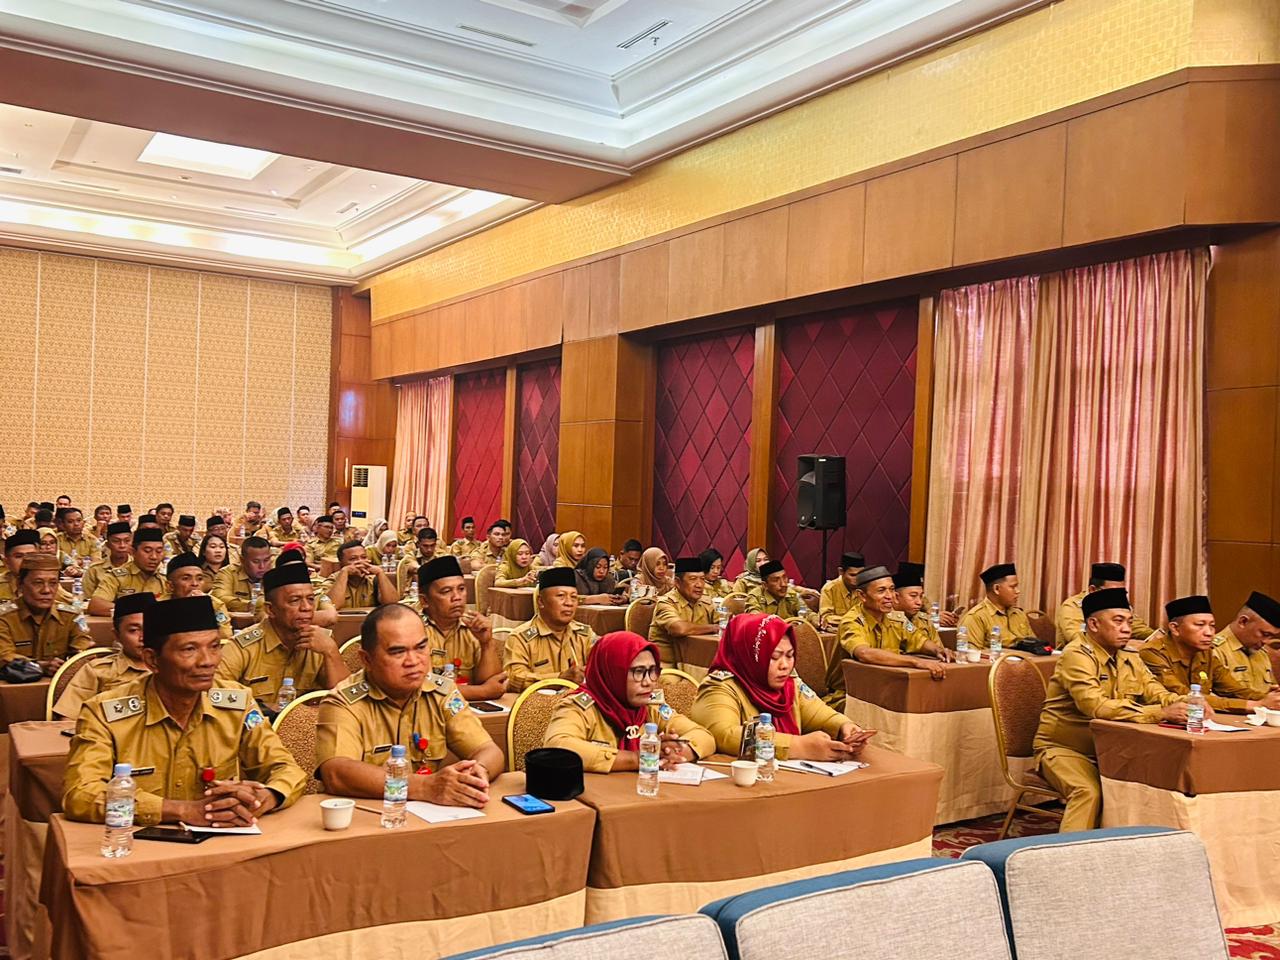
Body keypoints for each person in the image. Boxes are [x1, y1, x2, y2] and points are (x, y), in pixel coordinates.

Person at [62, 595, 306, 825]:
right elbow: (80, 794)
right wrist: (180, 810)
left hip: (222, 840)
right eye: (189, 649)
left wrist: (268, 796)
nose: (208, 661)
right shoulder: (104, 713)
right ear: (152, 660)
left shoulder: (237, 703)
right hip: (138, 845)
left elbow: (286, 768)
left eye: (214, 646)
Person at [315, 604, 503, 809]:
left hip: (430, 816)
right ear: (367, 659)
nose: (413, 661)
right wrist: (424, 787)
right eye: (398, 652)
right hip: (370, 816)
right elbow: (336, 773)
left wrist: (477, 772)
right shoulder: (343, 702)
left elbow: (488, 750)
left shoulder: (441, 692)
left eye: (421, 647)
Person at [1034, 587, 1189, 832]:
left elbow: (1155, 692)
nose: (1127, 629)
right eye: (1118, 621)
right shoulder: (1076, 655)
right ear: (1093, 624)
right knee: (1088, 791)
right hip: (1067, 749)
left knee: (1152, 786)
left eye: (1129, 621)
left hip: (1113, 750)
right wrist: (1159, 713)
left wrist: (1186, 703)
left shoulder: (1129, 656)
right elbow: (1095, 706)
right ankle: (1069, 854)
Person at [691, 613, 874, 760]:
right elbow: (724, 735)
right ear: (749, 657)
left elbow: (819, 713)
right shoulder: (720, 687)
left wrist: (845, 727)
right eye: (774, 657)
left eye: (790, 655)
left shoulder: (789, 684)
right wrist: (798, 746)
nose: (785, 665)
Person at [544, 631, 715, 773]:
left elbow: (703, 735)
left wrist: (673, 752)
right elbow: (557, 747)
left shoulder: (649, 706)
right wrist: (635, 758)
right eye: (638, 672)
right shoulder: (579, 707)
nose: (648, 682)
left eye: (653, 671)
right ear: (612, 673)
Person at [216, 561, 349, 707]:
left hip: (307, 720)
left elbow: (346, 699)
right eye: (295, 601)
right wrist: (258, 708)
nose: (306, 608)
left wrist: (331, 651)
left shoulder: (321, 641)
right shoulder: (243, 647)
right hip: (255, 719)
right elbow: (214, 696)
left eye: (311, 599)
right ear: (270, 610)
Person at [1140, 594, 1278, 713]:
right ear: (1175, 628)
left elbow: (1233, 689)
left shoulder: (1205, 653)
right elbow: (1185, 696)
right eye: (1200, 625)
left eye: (1212, 625)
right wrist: (1255, 705)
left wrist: (1271, 698)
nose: (1209, 632)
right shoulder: (1153, 653)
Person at [829, 566, 947, 702]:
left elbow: (919, 640)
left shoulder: (896, 618)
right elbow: (864, 653)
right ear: (862, 596)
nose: (890, 596)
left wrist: (938, 650)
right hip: (851, 696)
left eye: (891, 589)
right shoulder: (852, 621)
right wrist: (916, 662)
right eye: (881, 591)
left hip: (887, 689)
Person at [414, 556, 505, 700]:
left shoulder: (473, 628)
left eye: (461, 589)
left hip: (469, 709)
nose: (457, 597)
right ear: (424, 600)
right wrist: (481, 692)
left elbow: (494, 684)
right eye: (446, 591)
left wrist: (486, 643)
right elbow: (421, 685)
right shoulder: (413, 631)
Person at [52, 592, 154, 719]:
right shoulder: (97, 671)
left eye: (150, 628)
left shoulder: (172, 668)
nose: (143, 637)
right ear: (117, 635)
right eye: (133, 630)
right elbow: (68, 719)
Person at [504, 568, 598, 692]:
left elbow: (600, 667)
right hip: (537, 702)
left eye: (574, 597)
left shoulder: (584, 634)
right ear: (541, 601)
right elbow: (514, 679)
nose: (569, 603)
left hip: (575, 701)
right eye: (561, 596)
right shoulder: (521, 638)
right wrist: (559, 678)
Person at [0, 555, 93, 671]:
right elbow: (4, 656)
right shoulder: (4, 618)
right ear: (19, 584)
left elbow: (84, 647)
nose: (46, 590)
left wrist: (75, 659)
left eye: (53, 583)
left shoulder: (72, 616)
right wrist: (39, 666)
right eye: (38, 583)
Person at [1055, 562, 1155, 649]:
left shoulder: (1118, 605)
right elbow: (1077, 637)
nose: (1117, 597)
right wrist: (1124, 643)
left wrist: (1156, 637)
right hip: (1079, 657)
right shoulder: (1072, 606)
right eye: (1112, 592)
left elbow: (1138, 628)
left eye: (1120, 592)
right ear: (1093, 590)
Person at [1211, 591, 1280, 704]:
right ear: (1243, 622)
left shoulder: (1262, 652)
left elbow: (1269, 693)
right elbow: (1206, 698)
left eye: (1271, 636)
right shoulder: (1213, 650)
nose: (1266, 641)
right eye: (1264, 634)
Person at [649, 557, 718, 666]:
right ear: (677, 582)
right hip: (667, 666)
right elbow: (679, 629)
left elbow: (725, 624)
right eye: (693, 579)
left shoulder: (706, 601)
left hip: (697, 663)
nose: (699, 585)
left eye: (702, 579)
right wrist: (713, 628)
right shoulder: (665, 603)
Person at [88, 527, 169, 617]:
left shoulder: (167, 578)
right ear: (133, 552)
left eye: (159, 551)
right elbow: (96, 606)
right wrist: (141, 611)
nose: (154, 557)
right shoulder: (117, 577)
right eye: (147, 551)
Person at [888, 564, 953, 662]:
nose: (919, 602)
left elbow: (939, 650)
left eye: (921, 596)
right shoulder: (885, 619)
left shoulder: (925, 621)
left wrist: (942, 652)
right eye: (913, 596)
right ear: (896, 597)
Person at [958, 563, 1033, 646]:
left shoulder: (1019, 614)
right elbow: (972, 652)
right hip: (999, 655)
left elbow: (1034, 644)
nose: (1018, 591)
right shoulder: (976, 618)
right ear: (996, 589)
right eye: (1013, 587)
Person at [166, 553, 233, 641]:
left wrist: (207, 605)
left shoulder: (214, 604)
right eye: (186, 578)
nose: (195, 584)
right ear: (170, 586)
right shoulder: (159, 606)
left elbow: (225, 637)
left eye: (200, 579)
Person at [211, 536, 274, 613]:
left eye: (266, 560)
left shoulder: (275, 575)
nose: (262, 566)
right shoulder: (228, 573)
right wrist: (253, 605)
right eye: (256, 561)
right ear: (242, 560)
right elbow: (219, 599)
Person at [329, 541, 398, 610]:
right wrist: (344, 572)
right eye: (353, 559)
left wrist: (380, 573)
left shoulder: (374, 580)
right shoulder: (333, 580)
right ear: (341, 564)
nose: (360, 562)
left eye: (364, 557)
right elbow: (332, 606)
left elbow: (392, 606)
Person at [745, 561, 820, 622]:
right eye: (776, 580)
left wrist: (816, 620)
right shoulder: (754, 597)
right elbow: (757, 620)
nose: (783, 584)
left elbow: (807, 613)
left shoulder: (791, 594)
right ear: (765, 585)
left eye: (784, 578)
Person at [82, 522, 134, 600]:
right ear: (108, 544)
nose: (122, 545)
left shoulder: (139, 567)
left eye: (127, 541)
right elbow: (88, 600)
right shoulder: (95, 569)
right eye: (116, 541)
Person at [818, 552, 864, 628]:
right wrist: (852, 620)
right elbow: (825, 618)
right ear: (841, 571)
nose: (857, 579)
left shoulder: (865, 588)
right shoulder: (829, 589)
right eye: (852, 575)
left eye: (861, 575)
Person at [0, 530, 40, 603]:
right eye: (19, 556)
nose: (26, 560)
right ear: (6, 562)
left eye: (31, 555)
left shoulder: (47, 582)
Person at [56, 507, 96, 576]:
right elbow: (55, 561)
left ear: (83, 523)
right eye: (70, 522)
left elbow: (96, 562)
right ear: (63, 524)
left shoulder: (92, 540)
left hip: (86, 576)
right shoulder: (56, 539)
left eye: (79, 520)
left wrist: (79, 566)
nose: (76, 524)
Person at [397, 526, 438, 595]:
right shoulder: (411, 555)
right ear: (418, 544)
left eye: (432, 545)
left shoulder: (441, 556)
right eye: (425, 546)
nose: (429, 549)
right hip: (413, 594)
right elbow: (416, 569)